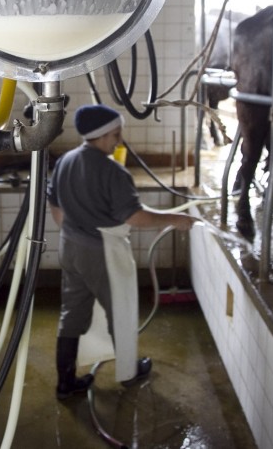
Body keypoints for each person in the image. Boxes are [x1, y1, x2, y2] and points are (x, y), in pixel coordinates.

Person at [46, 104, 196, 400]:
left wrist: (77, 229)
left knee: (71, 313)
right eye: (115, 135)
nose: (119, 141)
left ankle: (65, 382)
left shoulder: (65, 161)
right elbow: (135, 218)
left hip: (70, 246)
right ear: (100, 136)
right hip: (101, 251)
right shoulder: (113, 171)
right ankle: (129, 373)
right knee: (122, 311)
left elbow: (56, 208)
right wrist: (174, 219)